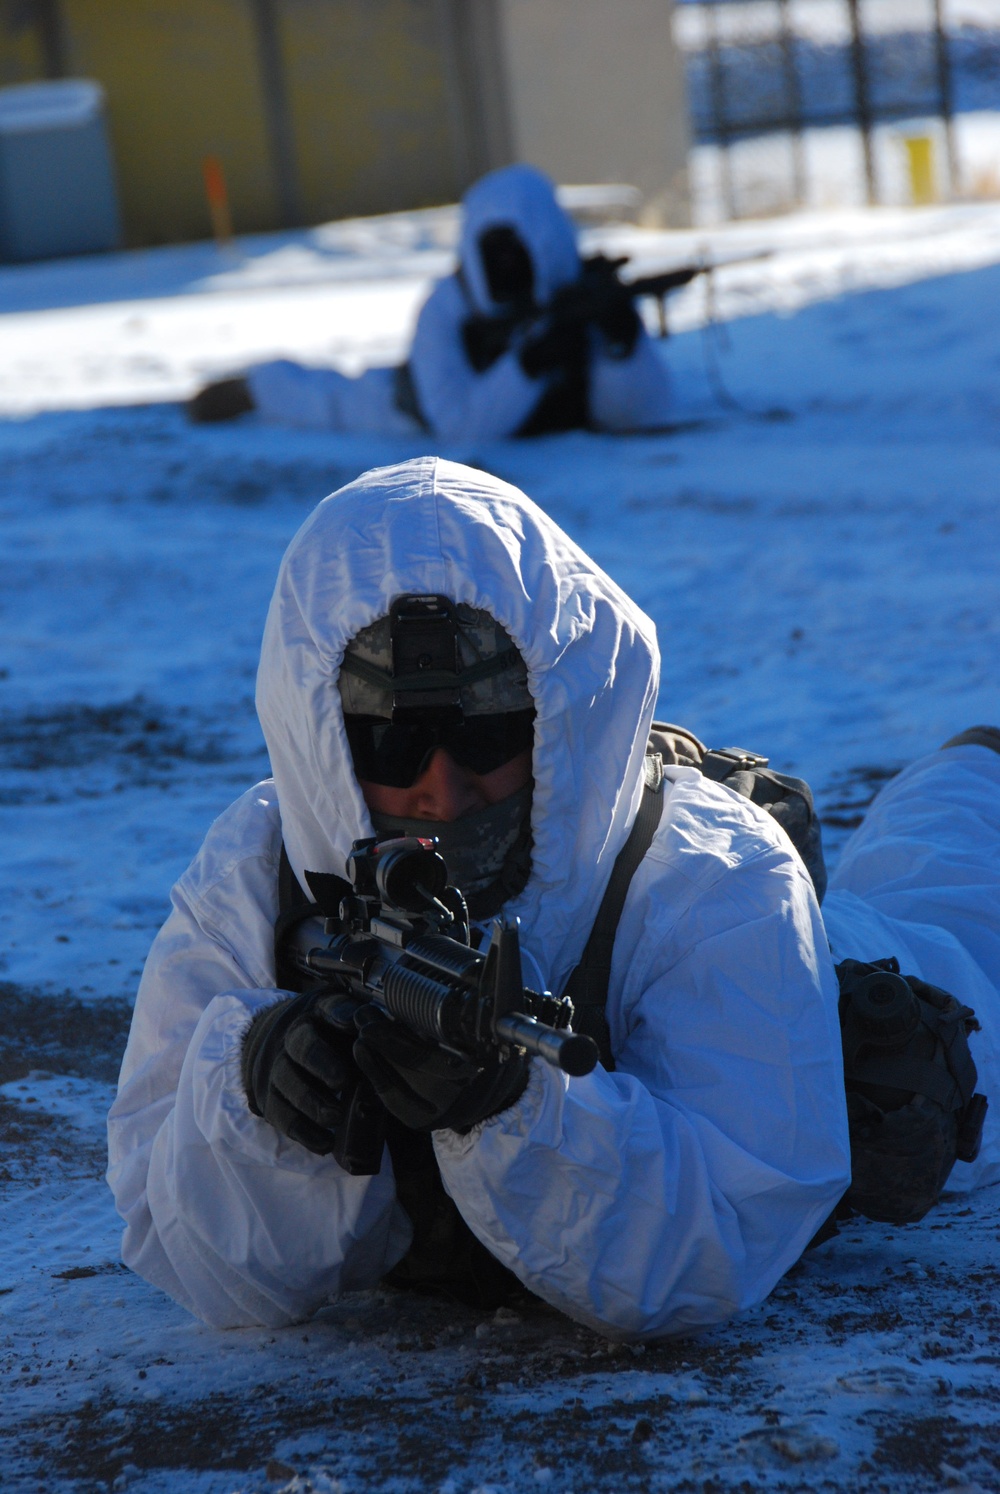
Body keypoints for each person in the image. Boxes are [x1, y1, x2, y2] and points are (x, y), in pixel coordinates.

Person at [107, 456, 999, 1335]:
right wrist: (253, 1095)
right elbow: (169, 1232)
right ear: (321, 740)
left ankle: (975, 762)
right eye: (389, 746)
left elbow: (724, 1245)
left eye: (487, 734)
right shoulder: (259, 870)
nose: (443, 793)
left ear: (554, 717)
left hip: (878, 977)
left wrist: (513, 1108)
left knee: (952, 896)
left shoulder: (712, 874)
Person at [188, 165, 674, 441]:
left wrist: (621, 344)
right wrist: (528, 363)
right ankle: (255, 389)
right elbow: (457, 426)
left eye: (516, 250)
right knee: (336, 400)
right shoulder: (444, 309)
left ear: (545, 244)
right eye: (495, 252)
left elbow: (640, 415)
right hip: (410, 406)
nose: (506, 266)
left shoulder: (574, 291)